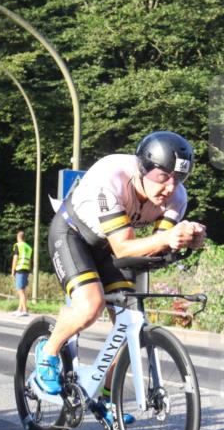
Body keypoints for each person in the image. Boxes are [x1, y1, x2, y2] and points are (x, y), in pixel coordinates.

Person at [35, 131, 206, 406]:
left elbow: (159, 246)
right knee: (91, 306)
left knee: (131, 324)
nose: (170, 188)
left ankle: (105, 397)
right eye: (163, 177)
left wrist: (188, 239)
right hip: (73, 234)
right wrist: (166, 238)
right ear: (143, 169)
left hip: (111, 248)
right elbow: (124, 247)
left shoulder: (177, 198)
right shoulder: (111, 176)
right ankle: (49, 352)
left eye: (179, 179)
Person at [10, 231, 33, 317]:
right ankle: (19, 310)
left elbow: (15, 258)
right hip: (26, 269)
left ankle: (25, 310)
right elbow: (30, 260)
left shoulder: (18, 245)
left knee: (20, 291)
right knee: (22, 290)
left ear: (18, 237)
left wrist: (13, 270)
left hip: (19, 269)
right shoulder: (28, 247)